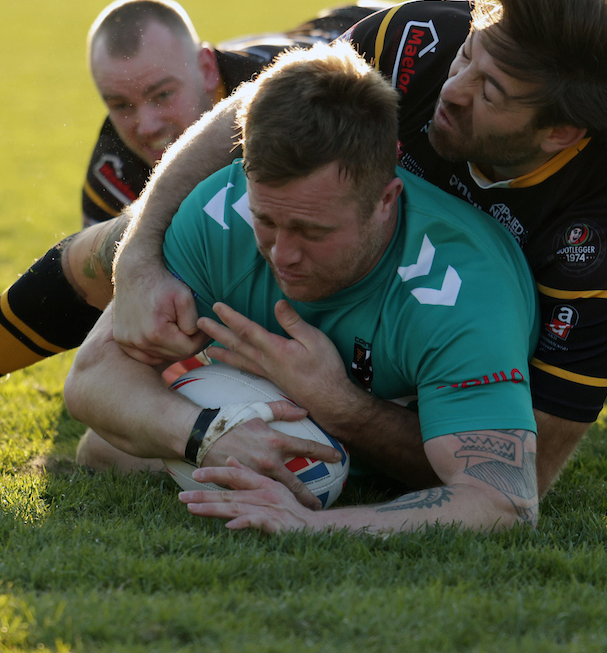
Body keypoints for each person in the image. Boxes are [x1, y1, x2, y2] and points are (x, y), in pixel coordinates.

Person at [106, 0, 607, 498]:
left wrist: (338, 407)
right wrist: (135, 255)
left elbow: (519, 478)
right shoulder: (422, 42)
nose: (455, 87)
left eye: (492, 89)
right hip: (427, 205)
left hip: (546, 256)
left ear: (558, 133)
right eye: (469, 56)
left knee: (495, 335)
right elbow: (251, 105)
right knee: (106, 247)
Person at [0, 0, 390, 470]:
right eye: (120, 104)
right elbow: (118, 319)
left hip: (354, 25)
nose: (147, 124)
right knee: (121, 260)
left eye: (163, 94)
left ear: (206, 69)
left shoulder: (282, 92)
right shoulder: (115, 168)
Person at [64, 42, 542, 532]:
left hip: (412, 429)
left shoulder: (463, 291)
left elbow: (507, 501)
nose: (283, 254)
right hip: (254, 393)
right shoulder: (221, 212)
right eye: (267, 220)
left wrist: (337, 413)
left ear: (386, 200)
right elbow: (92, 377)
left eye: (313, 231)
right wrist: (206, 434)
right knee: (104, 449)